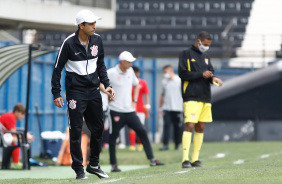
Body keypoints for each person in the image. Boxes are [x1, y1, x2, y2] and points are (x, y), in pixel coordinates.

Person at [51, 9, 115, 180]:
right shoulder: (68, 43)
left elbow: (100, 64)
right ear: (81, 25)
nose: (95, 26)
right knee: (76, 130)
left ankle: (93, 164)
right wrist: (56, 93)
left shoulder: (98, 40)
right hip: (75, 92)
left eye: (95, 23)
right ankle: (79, 169)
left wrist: (107, 85)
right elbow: (57, 69)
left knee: (98, 128)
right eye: (91, 23)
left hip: (94, 91)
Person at [107, 51, 164, 172]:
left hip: (129, 111)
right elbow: (101, 85)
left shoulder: (130, 71)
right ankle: (114, 165)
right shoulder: (111, 73)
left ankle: (152, 159)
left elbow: (137, 85)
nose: (131, 64)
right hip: (115, 111)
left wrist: (135, 100)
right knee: (113, 138)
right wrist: (108, 96)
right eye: (129, 62)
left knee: (142, 131)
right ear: (122, 62)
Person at [178, 31, 223, 168]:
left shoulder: (206, 57)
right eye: (204, 44)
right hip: (191, 95)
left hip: (205, 96)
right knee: (190, 125)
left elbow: (209, 74)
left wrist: (213, 78)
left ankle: (195, 159)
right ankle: (185, 159)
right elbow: (182, 73)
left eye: (208, 45)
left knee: (201, 126)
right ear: (198, 41)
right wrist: (201, 74)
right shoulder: (186, 53)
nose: (206, 47)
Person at [0, 103, 34, 169]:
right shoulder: (11, 117)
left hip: (2, 136)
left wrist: (24, 136)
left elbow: (14, 132)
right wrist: (26, 137)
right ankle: (15, 163)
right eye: (22, 114)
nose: (23, 116)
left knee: (17, 139)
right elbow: (14, 134)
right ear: (16, 112)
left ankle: (15, 162)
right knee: (16, 139)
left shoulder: (11, 116)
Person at [159, 65, 183, 151]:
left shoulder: (179, 80)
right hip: (166, 108)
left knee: (178, 127)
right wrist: (160, 107)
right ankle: (165, 144)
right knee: (166, 126)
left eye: (165, 72)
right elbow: (162, 94)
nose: (164, 74)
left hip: (177, 108)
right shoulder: (164, 81)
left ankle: (177, 145)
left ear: (170, 70)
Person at [128, 66, 151, 151]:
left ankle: (140, 144)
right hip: (130, 108)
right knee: (131, 128)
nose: (136, 74)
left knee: (141, 127)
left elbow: (146, 95)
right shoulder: (128, 82)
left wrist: (148, 104)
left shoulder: (143, 83)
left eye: (137, 72)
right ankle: (132, 145)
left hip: (140, 108)